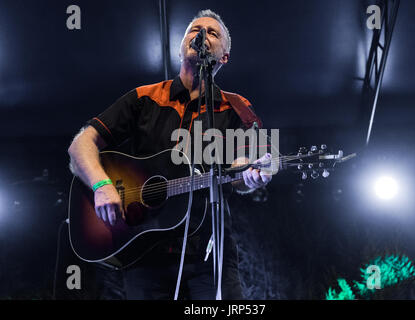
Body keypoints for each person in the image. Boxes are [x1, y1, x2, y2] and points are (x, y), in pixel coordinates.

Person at [68, 9, 272, 300]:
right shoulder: (144, 97)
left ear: (224, 57)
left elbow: (243, 162)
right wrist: (102, 185)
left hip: (209, 253)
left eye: (212, 33)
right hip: (144, 253)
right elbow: (81, 145)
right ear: (180, 47)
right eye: (195, 30)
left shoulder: (236, 106)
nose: (202, 35)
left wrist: (249, 175)